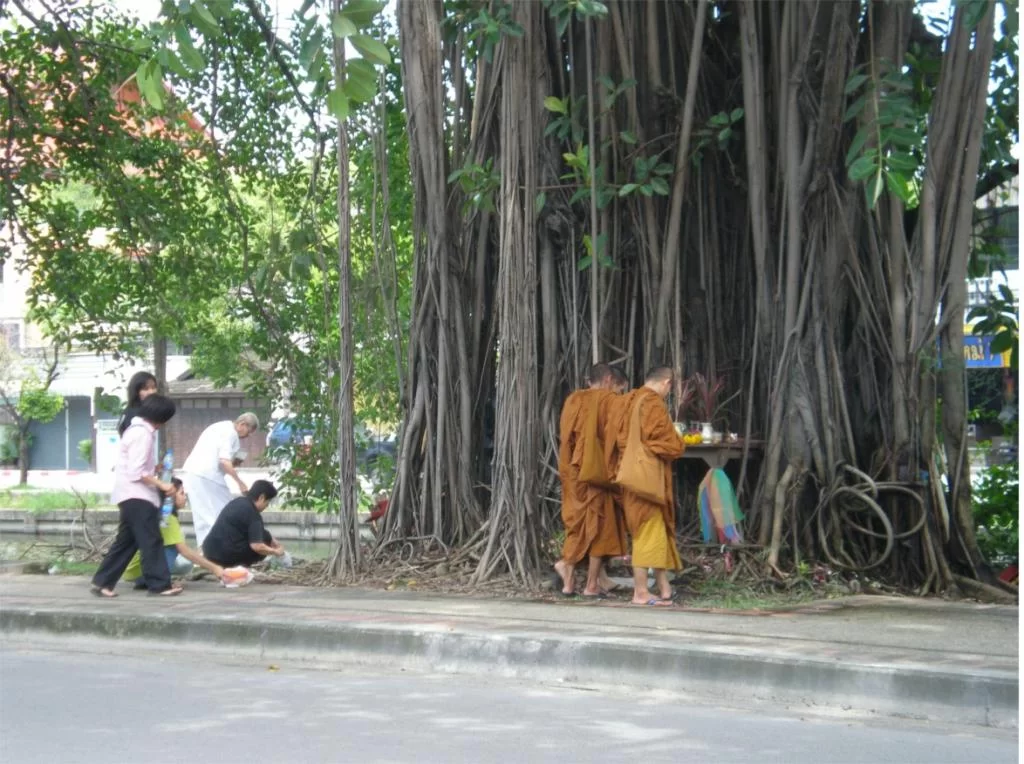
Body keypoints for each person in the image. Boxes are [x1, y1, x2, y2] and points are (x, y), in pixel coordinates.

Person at [90, 394, 183, 598]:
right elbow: (137, 471)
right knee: (151, 540)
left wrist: (155, 468)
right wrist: (162, 484)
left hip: (127, 494)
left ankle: (103, 581)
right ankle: (159, 584)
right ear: (160, 417)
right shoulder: (143, 434)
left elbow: (137, 465)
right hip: (138, 495)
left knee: (127, 541)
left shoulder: (134, 430)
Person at [609, 366, 685, 607]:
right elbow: (664, 442)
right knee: (647, 532)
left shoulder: (628, 400)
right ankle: (640, 591)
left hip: (630, 476)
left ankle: (664, 588)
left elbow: (620, 439)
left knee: (655, 530)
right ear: (667, 384)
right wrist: (679, 442)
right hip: (646, 480)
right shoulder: (652, 403)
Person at [554, 363, 628, 598]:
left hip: (573, 474)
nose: (619, 394)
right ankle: (591, 584)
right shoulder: (608, 400)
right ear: (608, 380)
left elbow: (568, 439)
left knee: (578, 525)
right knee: (601, 526)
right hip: (598, 474)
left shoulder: (572, 400)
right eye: (619, 389)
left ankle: (569, 576)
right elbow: (617, 438)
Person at [121, 478, 226, 588]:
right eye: (182, 493)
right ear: (170, 496)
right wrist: (215, 568)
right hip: (138, 573)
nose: (185, 497)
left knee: (186, 564)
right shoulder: (167, 518)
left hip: (133, 569)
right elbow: (184, 550)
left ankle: (157, 577)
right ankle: (154, 579)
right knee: (174, 549)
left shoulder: (158, 512)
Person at [181, 412, 259, 547]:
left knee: (203, 514)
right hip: (208, 475)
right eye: (249, 431)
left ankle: (206, 549)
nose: (248, 436)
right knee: (225, 511)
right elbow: (224, 461)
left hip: (194, 471)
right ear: (242, 424)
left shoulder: (220, 426)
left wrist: (232, 464)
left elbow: (222, 461)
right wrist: (240, 483)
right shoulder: (231, 433)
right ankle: (221, 549)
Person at [201, 480, 287, 569]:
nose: (267, 506)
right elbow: (257, 546)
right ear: (261, 497)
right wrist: (276, 552)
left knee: (265, 535)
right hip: (224, 558)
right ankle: (238, 567)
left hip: (209, 552)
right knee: (265, 540)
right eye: (268, 502)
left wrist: (272, 539)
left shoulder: (237, 502)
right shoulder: (253, 514)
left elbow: (257, 531)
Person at [117, 371, 158, 437]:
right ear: (136, 391)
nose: (151, 392)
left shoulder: (149, 410)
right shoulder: (133, 413)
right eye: (145, 389)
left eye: (153, 388)